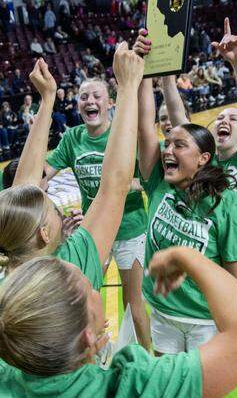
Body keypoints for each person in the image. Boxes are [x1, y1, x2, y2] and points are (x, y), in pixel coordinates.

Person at [0, 245, 237, 396]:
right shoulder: (131, 385)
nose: (96, 288)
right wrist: (188, 256)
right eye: (89, 286)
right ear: (87, 336)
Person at [0, 47, 142, 320]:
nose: (49, 197)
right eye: (53, 208)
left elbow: (21, 192)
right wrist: (129, 87)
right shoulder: (65, 271)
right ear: (44, 235)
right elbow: (114, 187)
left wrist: (46, 100)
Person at [155, 18, 237, 398]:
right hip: (212, 261)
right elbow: (180, 122)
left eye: (232, 119)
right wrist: (166, 78)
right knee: (217, 350)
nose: (224, 119)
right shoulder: (203, 164)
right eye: (220, 117)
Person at [133, 29, 237, 358]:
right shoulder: (160, 181)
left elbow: (236, 283)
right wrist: (145, 72)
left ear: (203, 158)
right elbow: (144, 125)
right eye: (167, 142)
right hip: (162, 312)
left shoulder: (226, 204)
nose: (167, 149)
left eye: (179, 145)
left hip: (204, 321)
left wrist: (234, 331)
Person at [43, 70, 152, 349]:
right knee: (83, 294)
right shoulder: (72, 138)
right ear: (78, 105)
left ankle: (148, 359)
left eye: (96, 96)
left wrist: (129, 185)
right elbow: (45, 174)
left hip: (130, 228)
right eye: (83, 97)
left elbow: (151, 178)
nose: (89, 101)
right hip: (95, 230)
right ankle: (92, 354)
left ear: (110, 102)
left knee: (134, 304)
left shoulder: (124, 135)